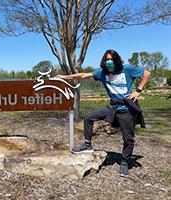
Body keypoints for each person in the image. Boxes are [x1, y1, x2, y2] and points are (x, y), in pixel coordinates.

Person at [56, 49, 151, 177]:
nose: (109, 61)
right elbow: (83, 75)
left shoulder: (127, 68)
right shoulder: (102, 72)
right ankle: (87, 145)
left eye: (112, 59)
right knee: (89, 118)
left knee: (128, 138)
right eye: (107, 59)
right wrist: (64, 77)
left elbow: (147, 73)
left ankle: (124, 162)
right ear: (104, 61)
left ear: (116, 59)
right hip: (112, 106)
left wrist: (138, 91)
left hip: (126, 108)